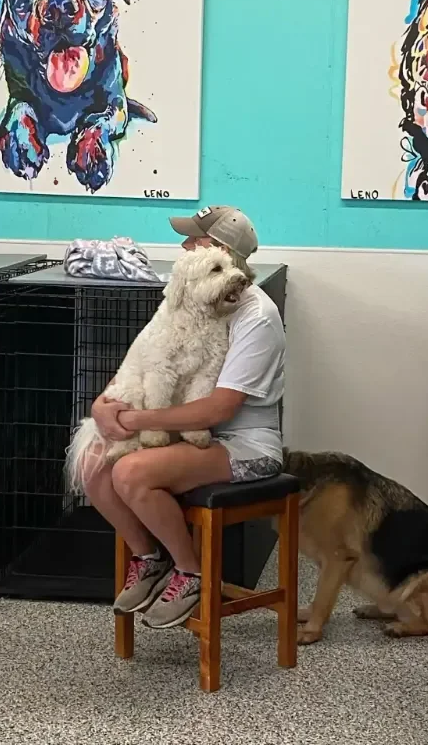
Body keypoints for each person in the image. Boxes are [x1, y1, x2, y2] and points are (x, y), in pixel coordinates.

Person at [82, 205, 286, 629]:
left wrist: (138, 421)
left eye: (193, 239)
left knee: (131, 473)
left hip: (244, 444)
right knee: (92, 466)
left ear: (217, 250)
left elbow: (219, 409)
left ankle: (190, 573)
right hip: (187, 433)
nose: (184, 245)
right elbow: (141, 359)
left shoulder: (257, 316)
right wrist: (102, 406)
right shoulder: (185, 299)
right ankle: (148, 558)